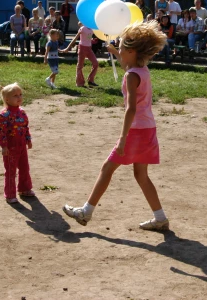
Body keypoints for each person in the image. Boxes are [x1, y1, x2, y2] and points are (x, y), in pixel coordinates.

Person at [63, 21, 170, 231]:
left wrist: (122, 138)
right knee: (141, 175)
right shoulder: (142, 69)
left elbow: (130, 109)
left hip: (135, 131)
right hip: (148, 129)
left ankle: (86, 212)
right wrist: (114, 50)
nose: (118, 50)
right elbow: (126, 63)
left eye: (120, 47)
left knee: (107, 168)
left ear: (131, 51)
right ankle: (160, 218)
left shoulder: (131, 76)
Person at [0, 82, 34, 203]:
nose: (19, 97)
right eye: (15, 95)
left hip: (21, 144)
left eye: (20, 94)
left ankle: (24, 188)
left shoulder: (22, 112)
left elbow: (25, 126)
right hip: (10, 147)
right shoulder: (4, 115)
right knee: (11, 171)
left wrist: (28, 139)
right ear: (7, 99)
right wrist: (4, 146)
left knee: (24, 168)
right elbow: (2, 132)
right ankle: (10, 194)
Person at [61, 21, 99, 87]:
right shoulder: (83, 28)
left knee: (95, 63)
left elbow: (88, 38)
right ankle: (80, 82)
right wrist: (67, 48)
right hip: (82, 48)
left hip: (89, 48)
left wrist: (92, 40)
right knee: (80, 66)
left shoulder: (91, 29)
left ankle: (91, 80)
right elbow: (75, 38)